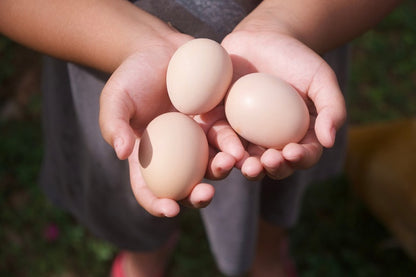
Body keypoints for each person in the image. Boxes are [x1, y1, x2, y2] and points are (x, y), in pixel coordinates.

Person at [0, 0, 401, 276]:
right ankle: (145, 254)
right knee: (140, 197)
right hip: (103, 42)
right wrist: (134, 42)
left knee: (276, 171)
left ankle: (267, 249)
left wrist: (287, 22)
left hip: (291, 40)